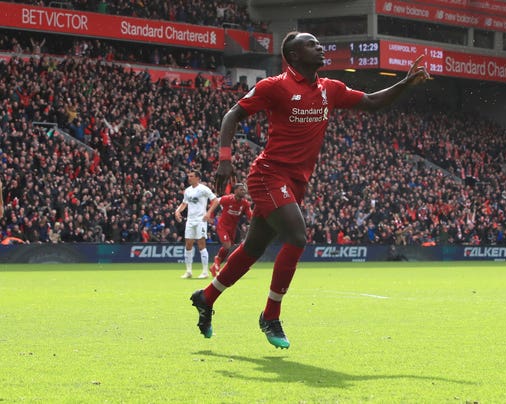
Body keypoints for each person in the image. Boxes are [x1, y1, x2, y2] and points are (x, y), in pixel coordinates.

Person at [190, 31, 429, 348]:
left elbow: (371, 102)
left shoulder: (330, 89)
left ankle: (206, 297)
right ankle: (270, 315)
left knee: (252, 248)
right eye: (311, 44)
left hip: (295, 182)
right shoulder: (274, 86)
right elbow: (232, 114)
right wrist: (224, 159)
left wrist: (404, 84)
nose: (320, 46)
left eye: (319, 42)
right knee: (297, 237)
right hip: (268, 175)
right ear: (294, 56)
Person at [175, 170, 217, 279]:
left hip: (200, 220)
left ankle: (205, 272)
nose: (189, 178)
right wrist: (178, 211)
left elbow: (215, 201)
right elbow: (184, 203)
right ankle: (188, 271)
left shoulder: (204, 189)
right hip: (190, 220)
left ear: (198, 178)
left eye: (191, 176)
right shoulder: (187, 191)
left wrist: (208, 213)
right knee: (188, 245)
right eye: (188, 176)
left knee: (201, 244)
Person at [206, 183, 253, 276]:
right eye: (241, 189)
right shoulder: (227, 199)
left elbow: (250, 216)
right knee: (227, 246)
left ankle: (214, 266)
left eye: (244, 190)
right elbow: (215, 201)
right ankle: (217, 260)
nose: (243, 191)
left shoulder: (245, 203)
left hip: (233, 228)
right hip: (222, 226)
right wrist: (209, 214)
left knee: (228, 248)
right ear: (235, 191)